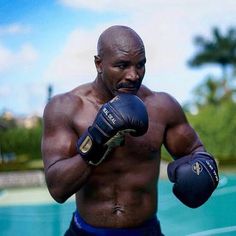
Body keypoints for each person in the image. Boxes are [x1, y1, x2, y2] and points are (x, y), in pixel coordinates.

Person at [41, 25, 219, 236]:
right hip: (86, 232)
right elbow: (57, 188)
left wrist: (202, 167)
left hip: (146, 231)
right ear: (99, 64)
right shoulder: (65, 108)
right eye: (122, 65)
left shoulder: (162, 107)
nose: (134, 75)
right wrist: (97, 140)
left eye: (140, 65)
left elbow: (198, 153)